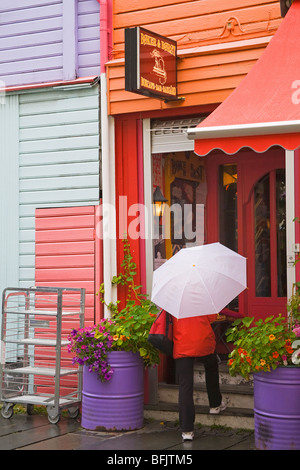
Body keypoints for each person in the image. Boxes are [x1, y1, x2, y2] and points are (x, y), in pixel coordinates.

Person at [172, 314, 226, 441]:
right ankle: (215, 405)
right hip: (203, 341)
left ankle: (187, 431)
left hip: (182, 344)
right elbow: (213, 318)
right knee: (211, 366)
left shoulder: (174, 299)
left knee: (185, 386)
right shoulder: (201, 296)